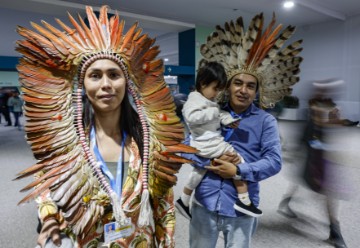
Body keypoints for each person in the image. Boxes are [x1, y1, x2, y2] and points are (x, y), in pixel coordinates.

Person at [15, 5, 196, 248]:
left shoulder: (148, 142)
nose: (106, 84)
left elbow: (163, 204)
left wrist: (167, 242)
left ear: (127, 82)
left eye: (113, 74)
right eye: (95, 75)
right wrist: (48, 217)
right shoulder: (70, 144)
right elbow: (47, 179)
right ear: (83, 85)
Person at [181, 13, 303, 247]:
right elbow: (186, 147)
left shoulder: (265, 121)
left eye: (250, 86)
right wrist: (209, 161)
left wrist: (238, 169)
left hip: (240, 209)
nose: (244, 90)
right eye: (238, 83)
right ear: (228, 85)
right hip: (204, 202)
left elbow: (274, 162)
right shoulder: (210, 113)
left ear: (257, 91)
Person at [175, 61, 262, 220]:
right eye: (215, 89)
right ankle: (243, 199)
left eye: (250, 86)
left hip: (206, 143)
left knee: (200, 171)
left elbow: (219, 113)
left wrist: (228, 120)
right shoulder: (194, 101)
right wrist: (214, 113)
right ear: (203, 83)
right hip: (207, 143)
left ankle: (184, 199)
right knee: (238, 160)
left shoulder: (207, 101)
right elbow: (192, 117)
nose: (216, 94)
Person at [277, 79, 350, 248]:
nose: (324, 93)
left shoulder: (328, 107)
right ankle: (335, 231)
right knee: (324, 190)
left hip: (322, 155)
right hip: (312, 154)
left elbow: (330, 127)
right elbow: (310, 133)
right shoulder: (314, 109)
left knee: (318, 187)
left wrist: (338, 120)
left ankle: (287, 201)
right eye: (321, 91)